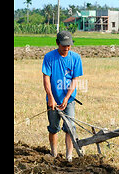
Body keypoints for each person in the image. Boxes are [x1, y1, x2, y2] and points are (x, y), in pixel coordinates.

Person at [42, 31, 83, 162]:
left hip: (69, 100)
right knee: (53, 127)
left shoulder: (75, 58)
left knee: (69, 128)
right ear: (57, 43)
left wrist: (66, 98)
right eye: (64, 45)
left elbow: (75, 80)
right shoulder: (49, 57)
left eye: (69, 46)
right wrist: (51, 97)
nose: (66, 48)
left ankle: (69, 156)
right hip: (53, 99)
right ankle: (54, 154)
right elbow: (46, 78)